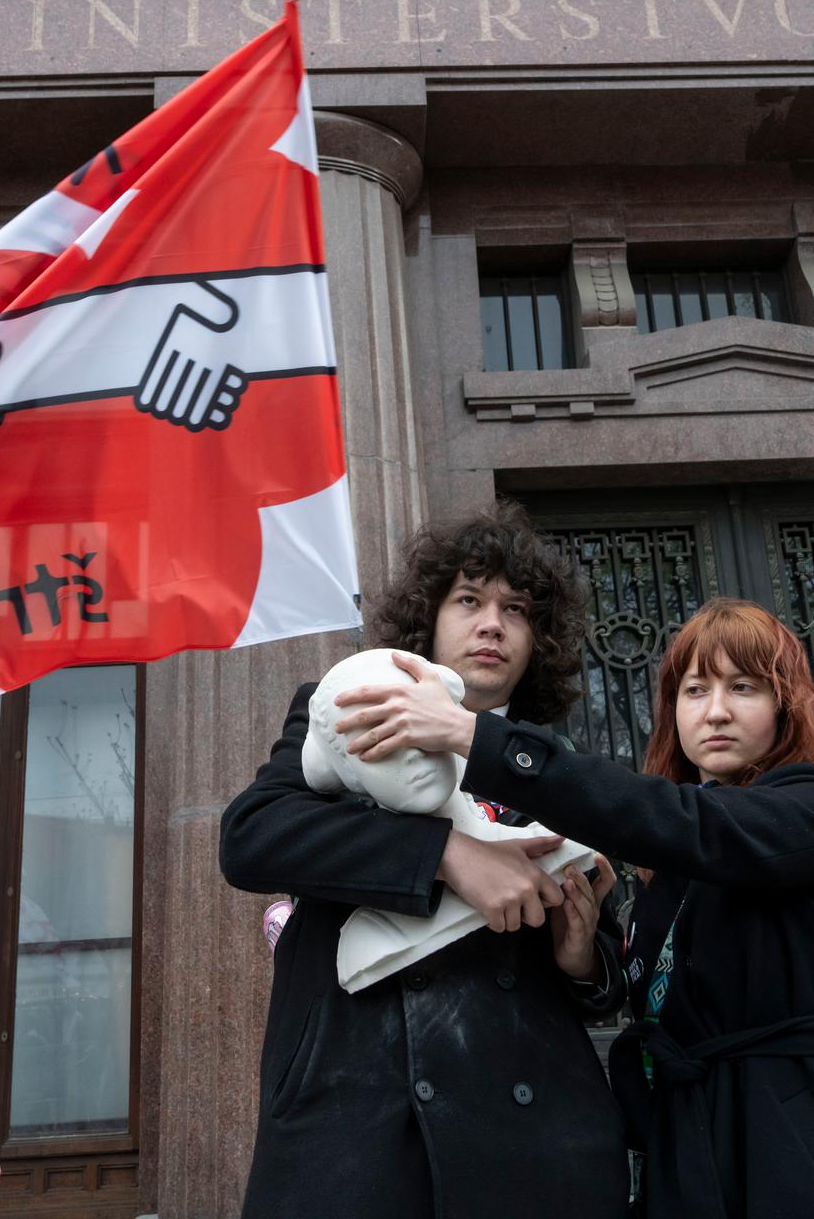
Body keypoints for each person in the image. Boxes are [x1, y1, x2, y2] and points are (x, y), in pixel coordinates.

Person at [335, 595, 814, 1218]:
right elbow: (660, 991)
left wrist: (473, 734)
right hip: (689, 1147)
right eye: (694, 690)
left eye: (743, 687)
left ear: (786, 703)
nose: (715, 712)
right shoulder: (673, 860)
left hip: (811, 1137)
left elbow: (690, 824)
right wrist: (581, 959)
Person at [219, 502, 629, 1219]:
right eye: (469, 600)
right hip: (356, 1126)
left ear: (540, 639)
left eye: (518, 610)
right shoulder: (344, 709)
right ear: (430, 619)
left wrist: (580, 957)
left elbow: (608, 973)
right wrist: (444, 855)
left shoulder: (554, 768)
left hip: (531, 1148)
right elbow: (253, 837)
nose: (493, 624)